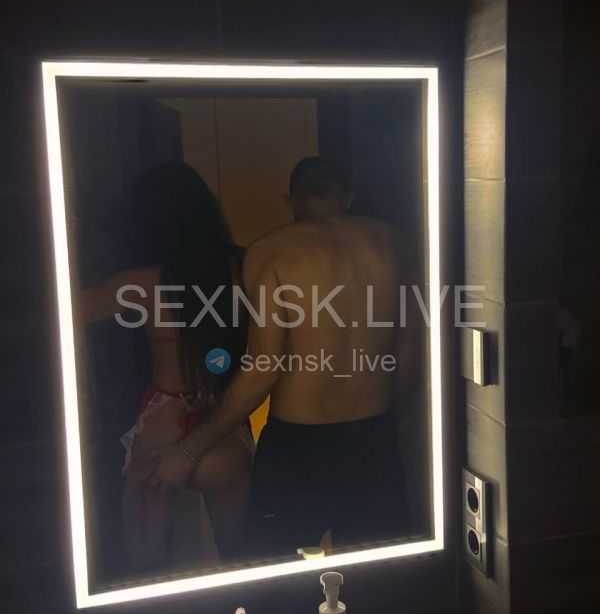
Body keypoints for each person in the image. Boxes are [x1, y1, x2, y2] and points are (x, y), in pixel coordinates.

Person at [144, 157, 416, 557]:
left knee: (276, 574)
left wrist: (189, 450)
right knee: (376, 574)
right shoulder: (396, 245)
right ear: (348, 197)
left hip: (298, 447)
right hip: (373, 439)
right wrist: (389, 422)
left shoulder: (271, 252)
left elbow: (263, 369)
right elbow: (408, 354)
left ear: (292, 201)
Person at [81, 161, 254, 569]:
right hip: (223, 418)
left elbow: (68, 310)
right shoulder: (242, 267)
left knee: (145, 561)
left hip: (165, 412)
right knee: (238, 557)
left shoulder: (140, 283)